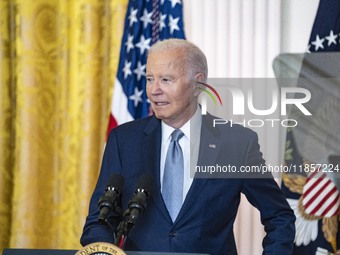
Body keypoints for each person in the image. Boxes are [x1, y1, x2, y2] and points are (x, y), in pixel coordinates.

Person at [80, 38, 295, 255]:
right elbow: (99, 221)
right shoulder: (124, 140)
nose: (154, 90)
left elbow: (279, 216)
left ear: (197, 84)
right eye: (149, 79)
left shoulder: (236, 143)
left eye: (166, 79)